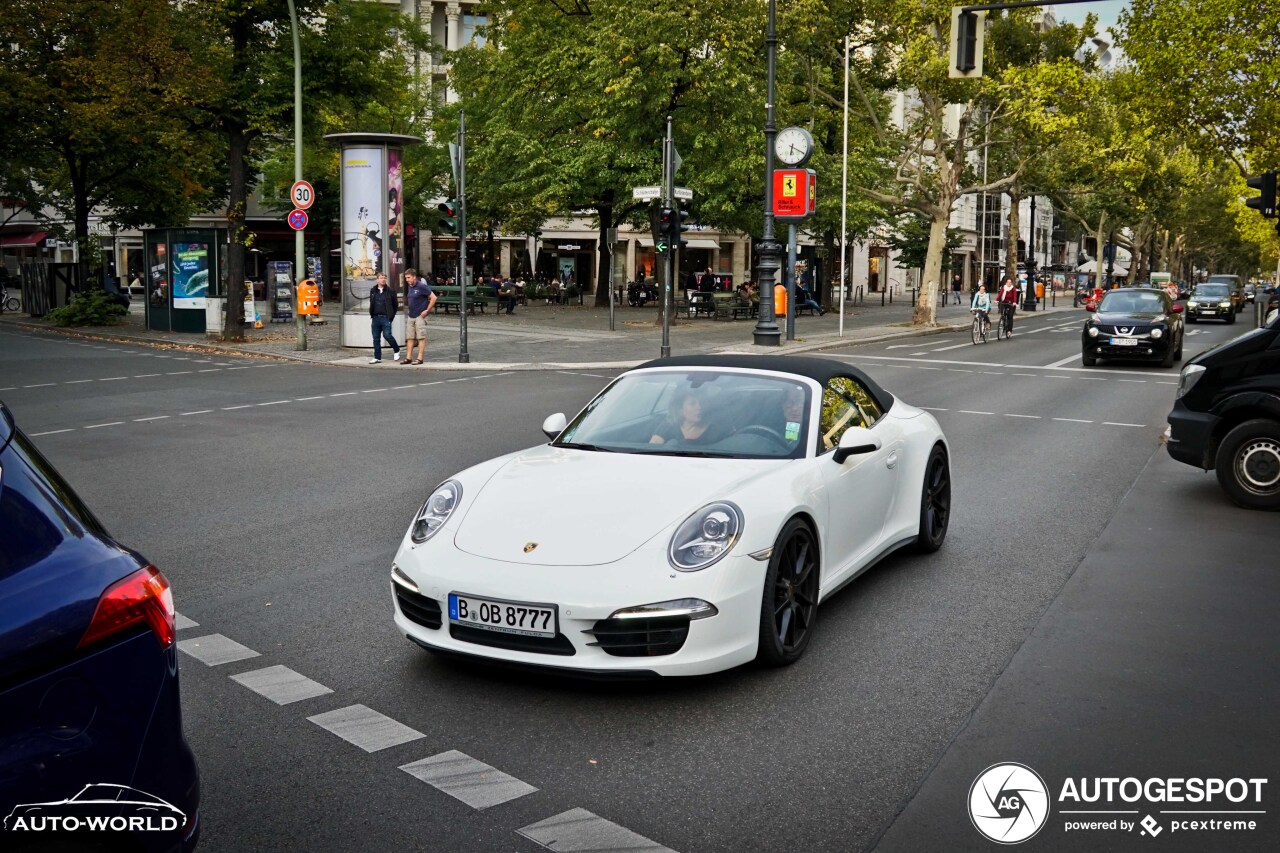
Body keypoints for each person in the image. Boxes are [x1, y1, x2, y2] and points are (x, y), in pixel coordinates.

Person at [650, 389, 728, 445]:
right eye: (692, 404)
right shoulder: (668, 425)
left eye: (701, 403)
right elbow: (652, 450)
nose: (699, 407)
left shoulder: (715, 430)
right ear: (679, 409)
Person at [402, 268, 436, 365]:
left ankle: (420, 358)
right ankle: (408, 357)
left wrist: (427, 310)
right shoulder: (410, 286)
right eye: (406, 278)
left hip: (419, 316)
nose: (407, 280)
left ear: (414, 277)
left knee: (421, 337)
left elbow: (433, 298)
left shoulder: (421, 286)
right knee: (410, 337)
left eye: (408, 277)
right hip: (411, 315)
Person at [368, 272, 401, 363]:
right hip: (375, 317)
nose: (383, 279)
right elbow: (372, 302)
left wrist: (391, 316)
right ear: (377, 279)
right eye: (381, 278)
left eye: (385, 278)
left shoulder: (390, 291)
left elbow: (395, 305)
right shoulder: (373, 290)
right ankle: (377, 357)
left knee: (387, 335)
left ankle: (396, 350)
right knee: (376, 338)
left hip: (385, 317)